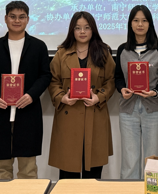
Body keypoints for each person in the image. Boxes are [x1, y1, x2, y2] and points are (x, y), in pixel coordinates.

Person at [0, 1, 51, 179]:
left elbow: (45, 75)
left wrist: (31, 95)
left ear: (28, 19)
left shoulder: (38, 46)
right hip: (0, 112)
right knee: (0, 169)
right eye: (12, 17)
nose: (17, 21)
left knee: (28, 170)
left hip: (28, 112)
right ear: (5, 18)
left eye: (21, 17)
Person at [48, 11, 115, 179]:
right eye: (78, 28)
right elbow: (53, 81)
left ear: (93, 30)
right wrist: (62, 97)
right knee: (67, 174)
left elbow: (111, 80)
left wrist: (99, 97)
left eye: (87, 27)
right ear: (72, 30)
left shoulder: (103, 52)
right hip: (68, 117)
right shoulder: (61, 54)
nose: (82, 32)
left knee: (92, 174)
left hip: (95, 115)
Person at [114, 5, 158, 179]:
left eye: (144, 20)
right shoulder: (123, 50)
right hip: (128, 109)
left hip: (153, 108)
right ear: (130, 24)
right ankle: (130, 190)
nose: (140, 24)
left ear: (150, 24)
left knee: (153, 158)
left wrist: (155, 92)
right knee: (130, 158)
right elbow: (118, 77)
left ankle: (153, 190)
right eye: (136, 20)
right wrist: (122, 89)